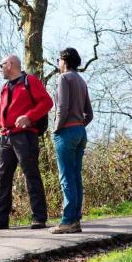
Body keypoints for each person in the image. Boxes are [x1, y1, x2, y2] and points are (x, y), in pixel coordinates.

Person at [0, 55, 53, 230]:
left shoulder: (29, 80)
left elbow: (47, 102)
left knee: (31, 174)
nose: (0, 68)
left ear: (10, 65)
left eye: (2, 65)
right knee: (3, 178)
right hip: (5, 136)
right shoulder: (4, 87)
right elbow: (1, 109)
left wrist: (28, 117)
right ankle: (0, 220)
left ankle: (39, 217)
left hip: (25, 136)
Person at [49, 48, 93, 234]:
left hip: (66, 132)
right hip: (80, 131)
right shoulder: (82, 81)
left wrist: (56, 128)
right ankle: (75, 219)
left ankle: (68, 220)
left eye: (58, 60)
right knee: (75, 176)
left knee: (66, 176)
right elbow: (89, 114)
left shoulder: (64, 78)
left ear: (64, 61)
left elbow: (62, 107)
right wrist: (80, 125)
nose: (57, 63)